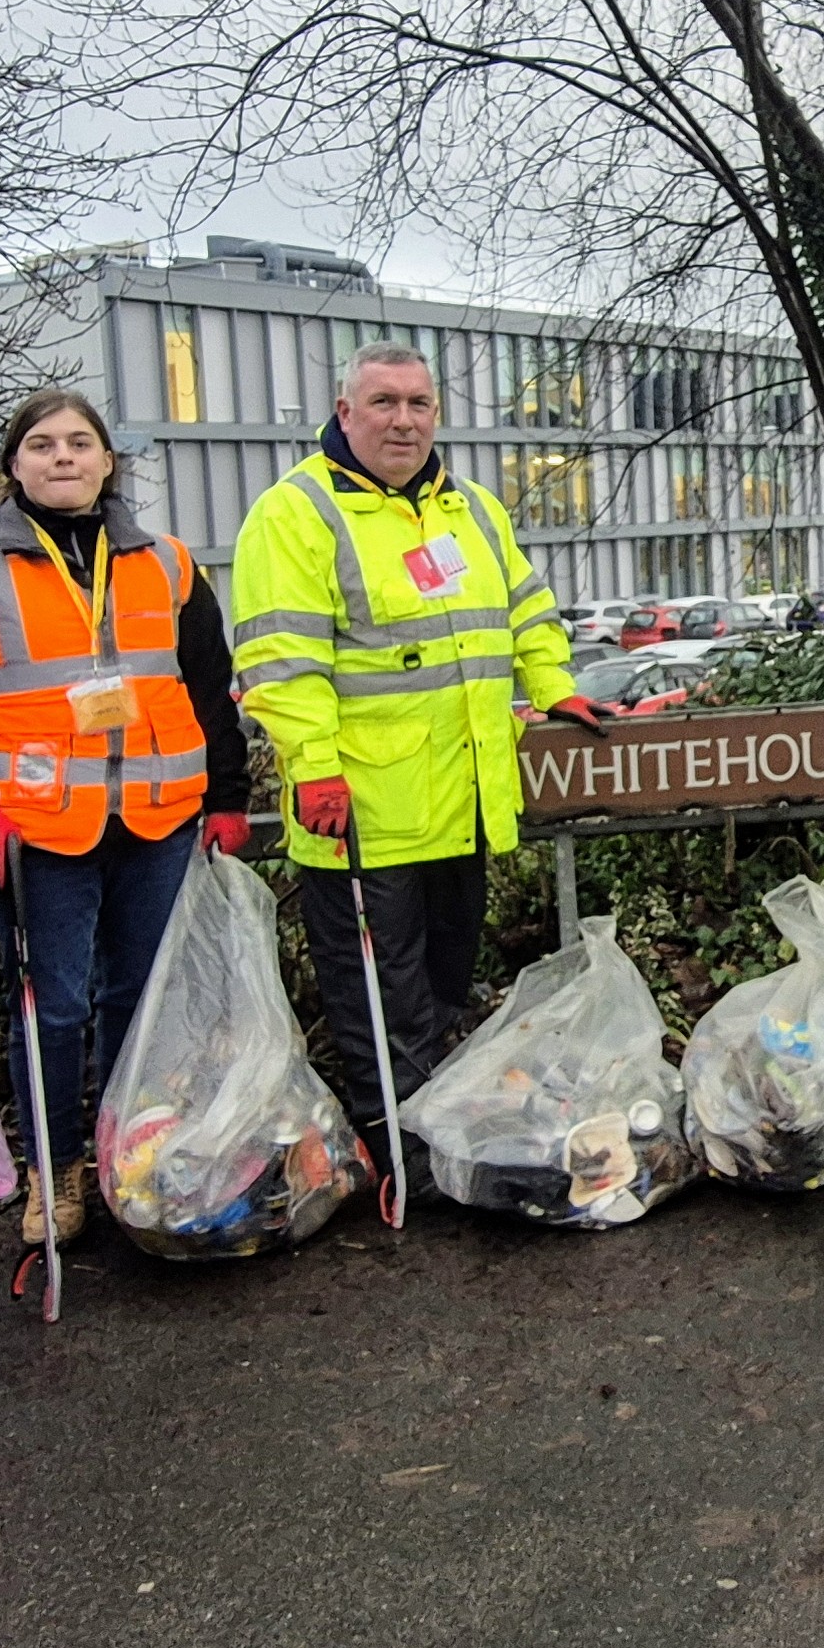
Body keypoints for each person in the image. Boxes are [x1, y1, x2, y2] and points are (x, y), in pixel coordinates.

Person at [226, 342, 612, 1162]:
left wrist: (553, 685)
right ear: (345, 412)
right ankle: (398, 1149)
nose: (403, 420)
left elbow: (525, 608)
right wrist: (314, 763)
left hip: (464, 799)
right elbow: (281, 662)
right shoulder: (295, 513)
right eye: (383, 403)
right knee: (378, 994)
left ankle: (439, 1129)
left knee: (440, 983)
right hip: (362, 808)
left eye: (418, 404)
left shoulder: (468, 507)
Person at [0, 389, 252, 1246]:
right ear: (13, 463)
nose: (63, 457)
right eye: (42, 444)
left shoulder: (168, 563)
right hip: (33, 828)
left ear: (107, 461)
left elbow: (209, 689)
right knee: (50, 1007)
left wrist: (229, 794)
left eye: (79, 443)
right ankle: (55, 1168)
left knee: (143, 999)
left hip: (156, 816)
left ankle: (129, 1155)